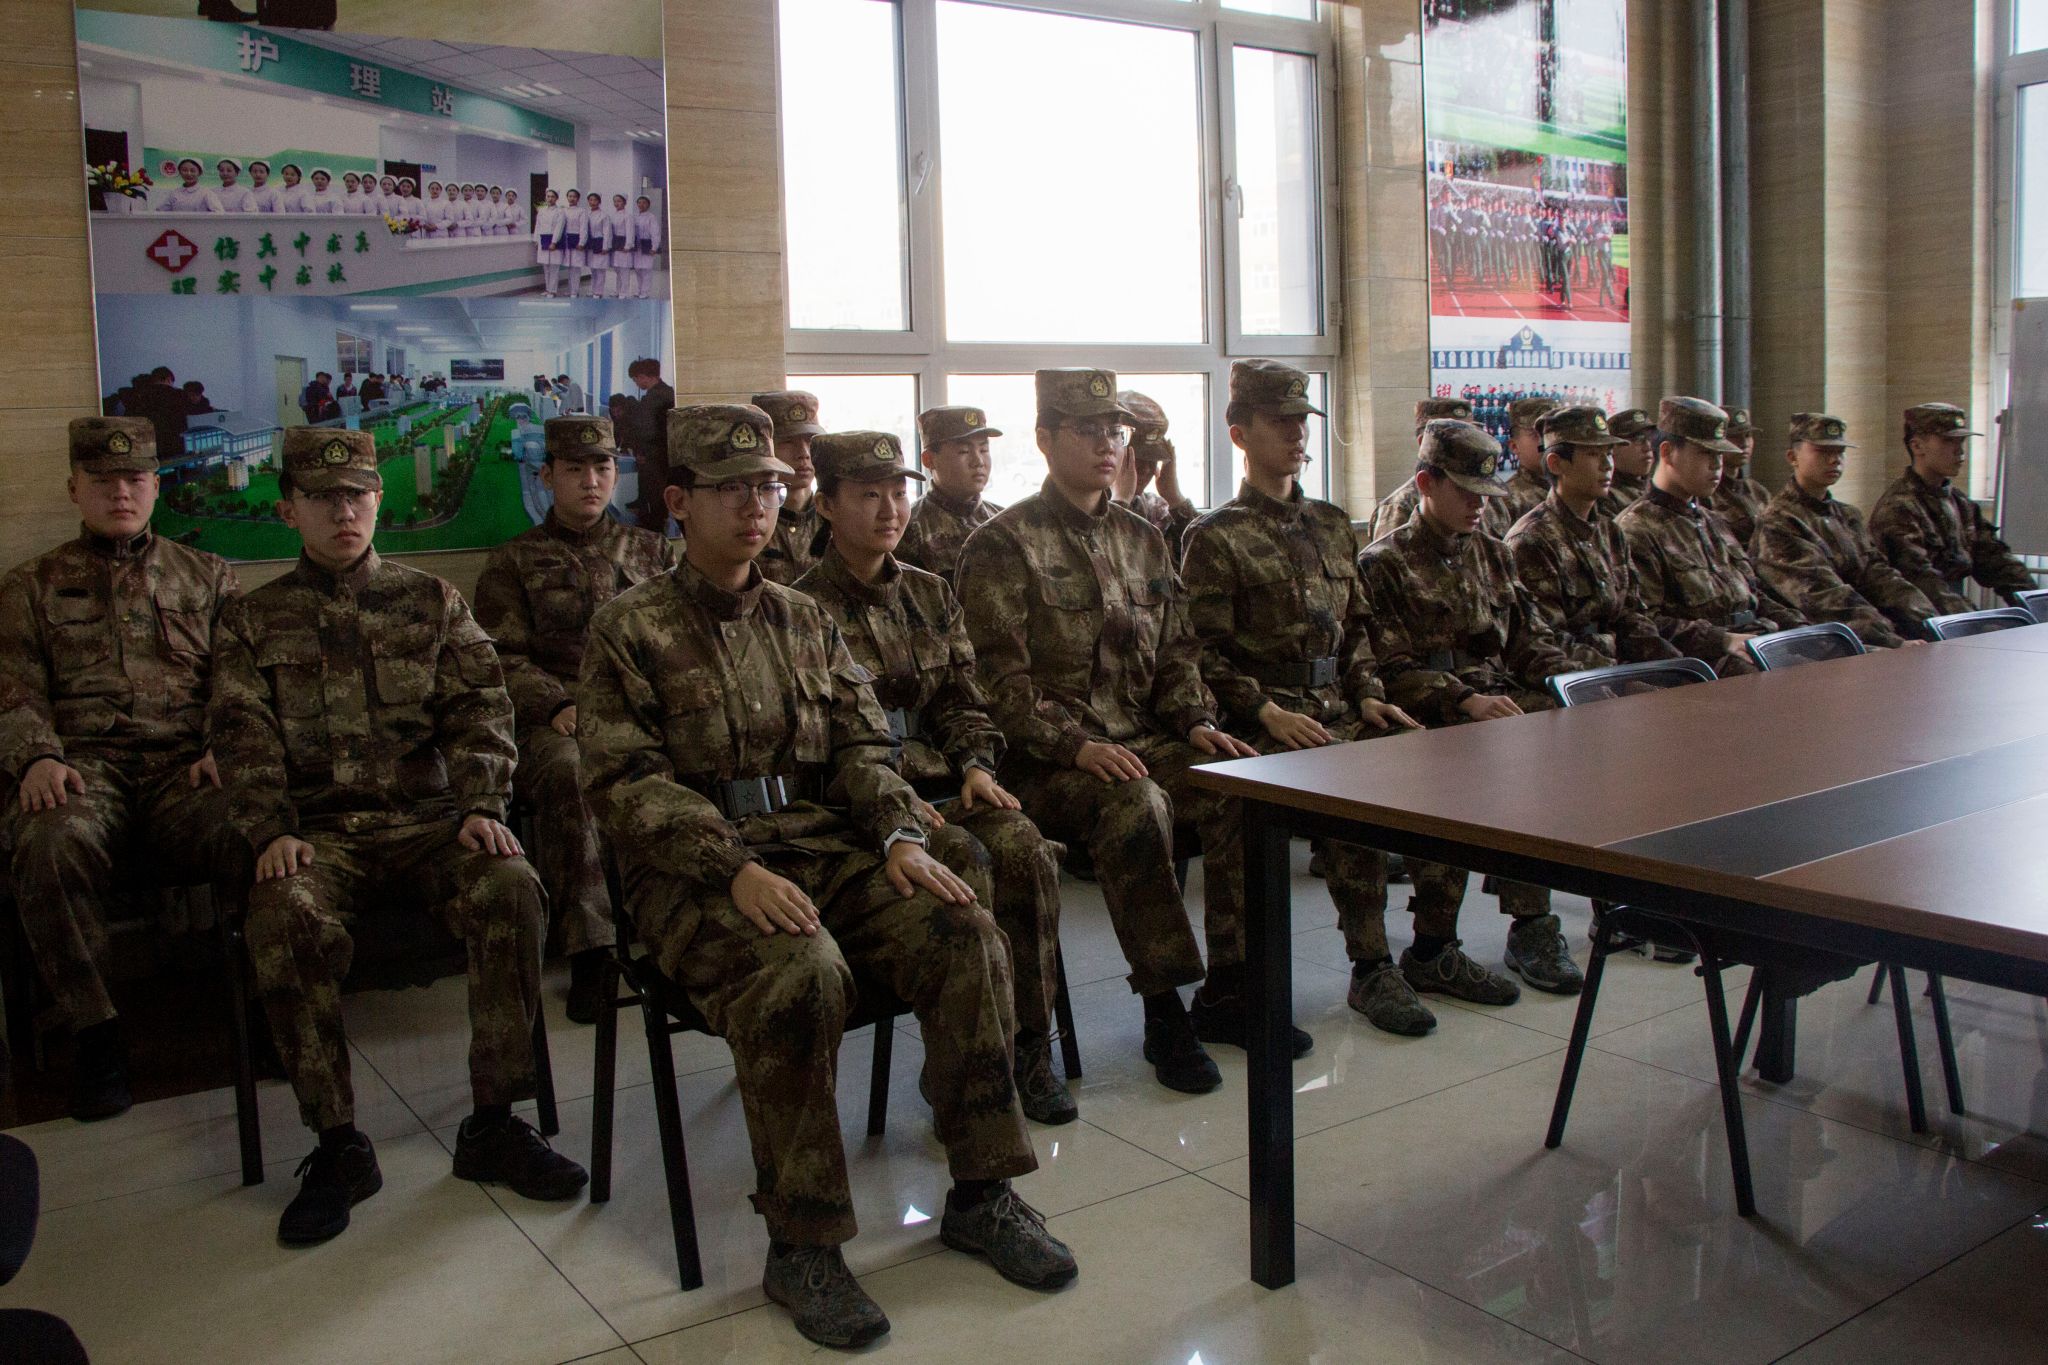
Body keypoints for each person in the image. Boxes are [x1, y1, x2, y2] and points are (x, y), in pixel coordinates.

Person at [577, 404, 1072, 1349]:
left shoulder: (803, 618)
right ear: (678, 502)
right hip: (694, 876)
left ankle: (984, 1194)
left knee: (963, 927)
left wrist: (898, 835)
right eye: (731, 489)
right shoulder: (629, 627)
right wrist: (731, 867)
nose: (756, 506)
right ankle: (802, 1244)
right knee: (802, 970)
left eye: (768, 486)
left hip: (823, 848)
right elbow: (623, 782)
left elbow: (860, 745)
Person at [209, 427, 586, 1247]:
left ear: (379, 499)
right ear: (289, 510)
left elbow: (481, 708)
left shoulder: (432, 601)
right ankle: (337, 1144)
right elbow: (241, 734)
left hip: (430, 825)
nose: (344, 511)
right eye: (323, 498)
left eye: (357, 494)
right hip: (319, 836)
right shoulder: (251, 620)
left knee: (510, 886)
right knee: (281, 914)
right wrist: (271, 828)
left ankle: (494, 1122)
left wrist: (483, 804)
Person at [957, 368, 1297, 1097]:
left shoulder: (1143, 538)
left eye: (1114, 430)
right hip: (1045, 761)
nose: (1107, 444)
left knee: (1242, 788)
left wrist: (1195, 719)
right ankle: (1163, 1007)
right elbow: (997, 687)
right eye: (1087, 430)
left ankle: (1229, 989)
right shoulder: (1003, 544)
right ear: (1045, 438)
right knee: (1136, 805)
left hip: (1140, 740)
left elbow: (1178, 653)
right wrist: (1074, 744)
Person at [794, 430, 1075, 1124]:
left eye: (898, 493)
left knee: (1027, 848)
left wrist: (976, 762)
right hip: (863, 803)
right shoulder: (798, 609)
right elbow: (816, 744)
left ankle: (1028, 1045)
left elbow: (962, 700)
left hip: (947, 784)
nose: (890, 509)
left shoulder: (928, 592)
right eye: (869, 495)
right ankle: (967, 1059)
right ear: (826, 505)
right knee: (966, 857)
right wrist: (894, 800)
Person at [1179, 362, 1437, 1037]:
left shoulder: (1329, 523)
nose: (1297, 433)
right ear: (1240, 433)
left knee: (1426, 759)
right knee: (1244, 802)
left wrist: (1370, 693)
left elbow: (1357, 628)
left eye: (1301, 420)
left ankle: (1400, 958)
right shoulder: (1215, 536)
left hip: (1337, 708)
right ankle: (1235, 985)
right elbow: (1199, 651)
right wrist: (1263, 710)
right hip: (1262, 717)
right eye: (1280, 421)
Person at [0, 418, 245, 1121]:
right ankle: (96, 1034)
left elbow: (240, 679)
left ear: (156, 486)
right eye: (103, 480)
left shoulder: (209, 576)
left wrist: (223, 744)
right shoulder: (31, 586)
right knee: (47, 842)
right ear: (73, 488)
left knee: (255, 825)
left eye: (135, 478)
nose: (121, 493)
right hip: (84, 770)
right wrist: (37, 755)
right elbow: (12, 686)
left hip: (184, 769)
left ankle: (264, 1005)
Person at [1357, 420, 1586, 1000]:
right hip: (1428, 709)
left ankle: (1533, 926)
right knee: (1457, 765)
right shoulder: (1384, 563)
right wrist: (1462, 699)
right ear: (1426, 483)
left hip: (1492, 699)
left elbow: (1528, 642)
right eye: (1465, 491)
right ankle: (1433, 947)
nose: (1479, 505)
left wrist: (1572, 683)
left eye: (1486, 493)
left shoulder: (1493, 555)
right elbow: (1387, 667)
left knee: (1550, 737)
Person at [473, 417, 672, 1025]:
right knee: (570, 772)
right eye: (575, 469)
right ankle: (593, 951)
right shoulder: (513, 562)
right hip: (556, 719)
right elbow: (498, 658)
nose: (591, 481)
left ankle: (677, 927)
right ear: (547, 477)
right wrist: (557, 705)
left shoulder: (653, 552)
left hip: (644, 712)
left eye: (602, 468)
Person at [1618, 397, 1799, 678]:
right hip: (1705, 664)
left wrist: (1800, 628)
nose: (1717, 465)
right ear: (1667, 452)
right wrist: (1722, 639)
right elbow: (1643, 624)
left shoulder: (1712, 521)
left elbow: (1752, 594)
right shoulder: (1636, 529)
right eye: (1706, 454)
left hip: (1754, 642)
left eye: (1720, 455)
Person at [1504, 404, 1683, 670]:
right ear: (1556, 463)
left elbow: (1631, 616)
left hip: (1618, 668)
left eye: (1608, 453)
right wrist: (1617, 674)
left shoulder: (1610, 533)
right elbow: (1542, 644)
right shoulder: (1531, 541)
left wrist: (1671, 664)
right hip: (1577, 676)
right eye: (1592, 454)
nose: (1607, 465)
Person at [1752, 414, 1937, 648]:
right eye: (1822, 451)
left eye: (1840, 452)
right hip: (1813, 640)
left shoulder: (1847, 515)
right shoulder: (1779, 521)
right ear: (1792, 457)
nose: (1834, 460)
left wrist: (1931, 620)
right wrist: (1892, 641)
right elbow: (1824, 597)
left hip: (1863, 631)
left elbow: (1879, 576)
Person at [1868, 403, 2036, 615]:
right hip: (1915, 615)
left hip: (1950, 610)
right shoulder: (1898, 507)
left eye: (1961, 441)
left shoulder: (1960, 502)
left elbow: (1996, 560)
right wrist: (1973, 619)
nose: (1960, 451)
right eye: (1948, 441)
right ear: (1917, 446)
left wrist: (2035, 602)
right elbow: (1920, 580)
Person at [897, 404, 1004, 581]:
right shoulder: (909, 530)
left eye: (984, 450)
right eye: (964, 451)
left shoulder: (1004, 521)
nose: (978, 461)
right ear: (929, 460)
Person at [1365, 396, 1484, 543]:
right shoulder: (1399, 507)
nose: (1468, 445)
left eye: (1471, 436)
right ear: (1424, 443)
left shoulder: (1489, 500)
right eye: (1455, 439)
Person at [752, 391, 826, 586]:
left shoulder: (837, 520)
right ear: (765, 447)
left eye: (811, 441)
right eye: (787, 441)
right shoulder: (751, 520)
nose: (804, 453)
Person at [1114, 391, 1199, 561]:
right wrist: (1121, 502)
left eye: (1153, 460)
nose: (1147, 470)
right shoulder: (1090, 507)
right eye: (1138, 459)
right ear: (1115, 454)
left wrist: (1175, 497)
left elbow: (1205, 552)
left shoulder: (1155, 509)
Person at [1493, 396, 1559, 529]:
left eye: (1555, 433)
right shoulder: (1504, 502)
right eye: (1536, 435)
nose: (1548, 443)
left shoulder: (1580, 489)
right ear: (1514, 446)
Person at [1706, 406, 1769, 546]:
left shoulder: (1758, 492)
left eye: (1748, 436)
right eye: (1734, 437)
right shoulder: (1707, 493)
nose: (1744, 443)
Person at [626, 357, 676, 530]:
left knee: (655, 491)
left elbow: (647, 429)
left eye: (636, 380)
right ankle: (652, 515)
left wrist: (641, 452)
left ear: (643, 376)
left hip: (654, 452)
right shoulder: (668, 392)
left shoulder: (654, 398)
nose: (636, 383)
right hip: (664, 451)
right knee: (656, 489)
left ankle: (654, 525)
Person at [1597, 406, 1655, 515]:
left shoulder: (1658, 489)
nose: (1647, 447)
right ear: (1613, 448)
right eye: (1638, 439)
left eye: (1650, 438)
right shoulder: (1606, 497)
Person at [154, 157, 220, 212]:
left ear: (199, 173)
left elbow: (219, 214)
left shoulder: (206, 193)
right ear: (179, 172)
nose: (188, 173)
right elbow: (159, 211)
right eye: (184, 170)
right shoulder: (174, 193)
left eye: (193, 171)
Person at [534, 188, 565, 297]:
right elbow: (538, 226)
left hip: (554, 241)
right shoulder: (541, 211)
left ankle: (553, 291)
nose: (550, 198)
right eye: (548, 196)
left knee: (554, 267)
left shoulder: (560, 211)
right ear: (545, 197)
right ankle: (547, 289)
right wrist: (536, 240)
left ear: (556, 198)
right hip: (543, 240)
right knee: (546, 267)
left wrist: (554, 242)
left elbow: (559, 228)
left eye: (552, 196)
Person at [631, 193, 662, 299]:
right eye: (639, 203)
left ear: (648, 205)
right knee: (638, 269)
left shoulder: (651, 217)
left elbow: (655, 233)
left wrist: (654, 247)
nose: (641, 205)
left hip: (647, 245)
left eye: (644, 203)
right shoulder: (635, 216)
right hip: (637, 246)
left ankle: (645, 292)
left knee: (646, 270)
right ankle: (639, 290)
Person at [560, 189, 590, 297]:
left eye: (574, 196)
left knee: (576, 267)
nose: (572, 198)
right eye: (570, 196)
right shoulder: (564, 210)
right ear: (567, 197)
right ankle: (570, 289)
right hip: (567, 241)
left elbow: (583, 228)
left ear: (578, 198)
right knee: (569, 267)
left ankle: (575, 291)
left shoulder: (582, 211)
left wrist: (582, 242)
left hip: (577, 240)